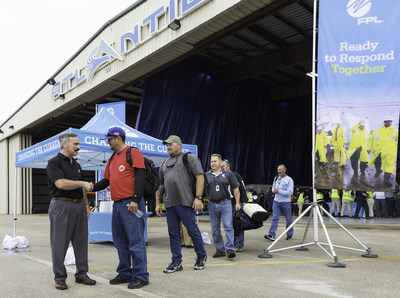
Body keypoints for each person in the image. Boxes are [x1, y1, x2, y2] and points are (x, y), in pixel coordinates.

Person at [92, 126, 149, 289]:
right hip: (117, 205)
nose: (108, 142)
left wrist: (136, 199)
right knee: (120, 241)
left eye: (109, 139)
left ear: (117, 138)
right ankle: (125, 272)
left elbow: (140, 175)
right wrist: (91, 186)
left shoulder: (133, 152)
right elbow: (106, 181)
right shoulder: (112, 158)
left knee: (135, 240)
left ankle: (141, 275)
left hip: (131, 203)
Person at [46, 132, 96, 290]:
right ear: (64, 144)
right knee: (59, 243)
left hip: (79, 206)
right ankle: (60, 277)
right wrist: (82, 183)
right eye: (75, 144)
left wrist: (86, 207)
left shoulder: (76, 165)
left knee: (81, 242)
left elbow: (82, 190)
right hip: (61, 205)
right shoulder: (54, 163)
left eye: (78, 144)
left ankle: (81, 274)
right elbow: (60, 184)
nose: (78, 147)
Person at [155, 135, 207, 273]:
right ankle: (176, 262)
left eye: (171, 144)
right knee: (173, 233)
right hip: (170, 204)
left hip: (185, 202)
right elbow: (161, 185)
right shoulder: (164, 163)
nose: (168, 147)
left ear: (179, 145)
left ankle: (201, 255)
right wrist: (157, 203)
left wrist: (198, 198)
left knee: (192, 230)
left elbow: (200, 176)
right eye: (167, 145)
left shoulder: (189, 158)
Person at [206, 154, 240, 258]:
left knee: (228, 226)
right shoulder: (207, 175)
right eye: (211, 161)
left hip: (226, 203)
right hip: (212, 204)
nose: (213, 163)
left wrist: (238, 203)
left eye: (215, 161)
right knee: (215, 229)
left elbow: (236, 189)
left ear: (221, 163)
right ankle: (220, 250)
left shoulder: (228, 174)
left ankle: (230, 249)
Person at [221, 159, 247, 252]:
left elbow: (243, 188)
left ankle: (239, 244)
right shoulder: (221, 176)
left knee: (238, 223)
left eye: (223, 166)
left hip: (236, 204)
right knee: (228, 225)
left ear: (228, 167)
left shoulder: (236, 175)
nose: (222, 168)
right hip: (226, 204)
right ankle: (231, 244)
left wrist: (245, 201)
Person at [264, 164, 294, 241]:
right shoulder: (276, 178)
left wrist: (279, 191)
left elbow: (290, 192)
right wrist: (274, 190)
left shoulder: (289, 180)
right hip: (276, 201)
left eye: (280, 169)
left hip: (286, 202)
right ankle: (271, 234)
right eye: (278, 169)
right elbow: (273, 188)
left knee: (289, 219)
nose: (278, 171)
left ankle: (289, 234)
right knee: (275, 218)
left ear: (284, 170)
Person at [367, 116, 398, 187]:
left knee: (388, 166)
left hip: (389, 152)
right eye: (387, 121)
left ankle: (386, 181)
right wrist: (368, 148)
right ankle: (378, 171)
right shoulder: (377, 130)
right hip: (378, 151)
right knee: (377, 163)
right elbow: (370, 139)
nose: (389, 122)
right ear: (384, 122)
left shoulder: (395, 131)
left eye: (390, 121)